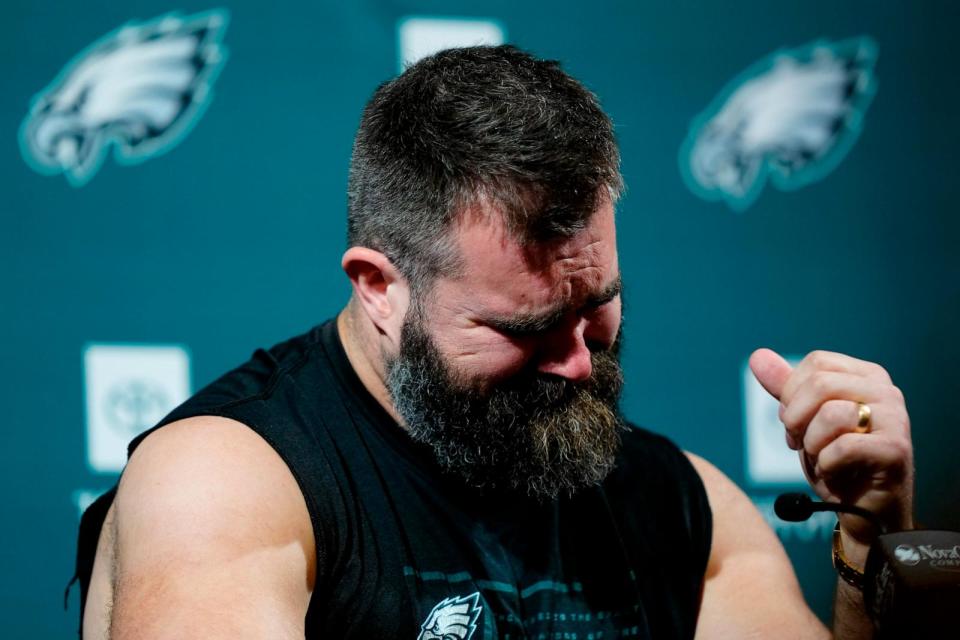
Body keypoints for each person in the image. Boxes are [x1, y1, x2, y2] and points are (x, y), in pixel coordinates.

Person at [72, 45, 914, 639]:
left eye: (597, 308)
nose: (580, 362)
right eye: (528, 330)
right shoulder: (223, 486)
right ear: (380, 288)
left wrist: (877, 542)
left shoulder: (678, 505)